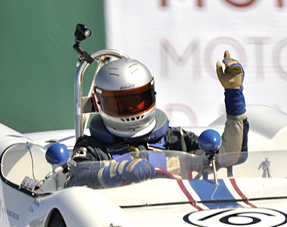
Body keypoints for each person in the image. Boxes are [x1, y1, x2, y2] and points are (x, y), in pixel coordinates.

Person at [68, 51, 249, 187]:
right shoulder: (92, 147)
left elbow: (229, 157)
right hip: (118, 226)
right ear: (98, 103)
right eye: (121, 103)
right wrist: (116, 171)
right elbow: (76, 177)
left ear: (152, 94)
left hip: (176, 218)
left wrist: (234, 98)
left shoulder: (175, 140)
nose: (131, 110)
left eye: (137, 100)